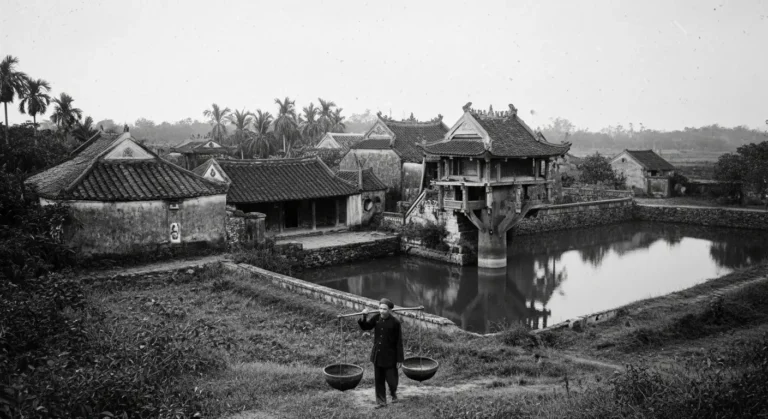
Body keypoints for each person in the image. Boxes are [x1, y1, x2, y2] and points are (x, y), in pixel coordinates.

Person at [358, 298, 404, 409]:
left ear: (390, 311)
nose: (382, 311)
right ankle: (381, 401)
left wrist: (399, 359)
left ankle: (393, 393)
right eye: (380, 308)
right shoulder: (376, 318)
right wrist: (364, 316)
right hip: (378, 355)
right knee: (379, 379)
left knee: (392, 380)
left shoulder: (395, 323)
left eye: (384, 309)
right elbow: (366, 327)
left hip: (390, 356)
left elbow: (399, 342)